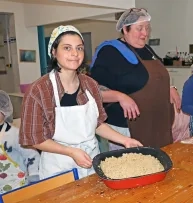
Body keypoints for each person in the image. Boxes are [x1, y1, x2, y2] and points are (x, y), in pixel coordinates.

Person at [19, 25, 142, 180]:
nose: (75, 54)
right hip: (59, 166)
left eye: (79, 48)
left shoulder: (90, 85)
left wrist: (125, 140)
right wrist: (71, 151)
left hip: (91, 161)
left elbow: (97, 124)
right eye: (67, 48)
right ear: (53, 52)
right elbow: (34, 139)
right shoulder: (39, 90)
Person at [90, 8, 180, 150]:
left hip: (155, 124)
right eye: (139, 28)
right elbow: (93, 91)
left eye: (147, 28)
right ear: (125, 29)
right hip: (126, 129)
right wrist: (120, 97)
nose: (145, 33)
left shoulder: (148, 50)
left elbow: (150, 79)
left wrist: (168, 88)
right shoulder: (109, 52)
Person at [0, 91, 40, 193]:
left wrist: (34, 176)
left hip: (18, 184)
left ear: (4, 112)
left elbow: (32, 155)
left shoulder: (15, 133)